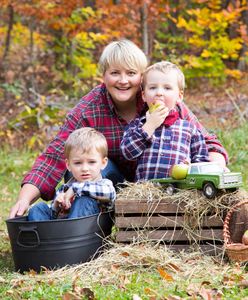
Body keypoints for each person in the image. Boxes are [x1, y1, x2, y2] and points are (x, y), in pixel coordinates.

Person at [9, 39, 228, 219]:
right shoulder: (89, 109)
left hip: (159, 186)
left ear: (141, 77)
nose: (123, 81)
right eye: (115, 73)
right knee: (88, 163)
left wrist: (214, 168)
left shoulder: (163, 103)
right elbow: (55, 155)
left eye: (131, 73)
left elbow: (207, 141)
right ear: (104, 75)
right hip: (106, 185)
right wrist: (24, 199)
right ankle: (85, 228)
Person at [120, 61, 209, 181]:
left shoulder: (189, 129)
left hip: (177, 194)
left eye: (167, 88)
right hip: (145, 194)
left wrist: (190, 168)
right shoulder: (137, 125)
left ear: (179, 96)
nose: (159, 93)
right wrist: (149, 126)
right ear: (144, 95)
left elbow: (201, 160)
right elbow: (127, 153)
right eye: (152, 88)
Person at [28, 127, 116, 220]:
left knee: (83, 201)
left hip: (87, 230)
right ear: (68, 165)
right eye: (78, 163)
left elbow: (110, 194)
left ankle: (70, 233)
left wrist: (75, 189)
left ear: (103, 163)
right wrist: (57, 205)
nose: (85, 168)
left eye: (91, 162)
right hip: (61, 229)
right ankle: (43, 234)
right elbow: (54, 214)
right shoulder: (65, 188)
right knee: (38, 208)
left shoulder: (104, 185)